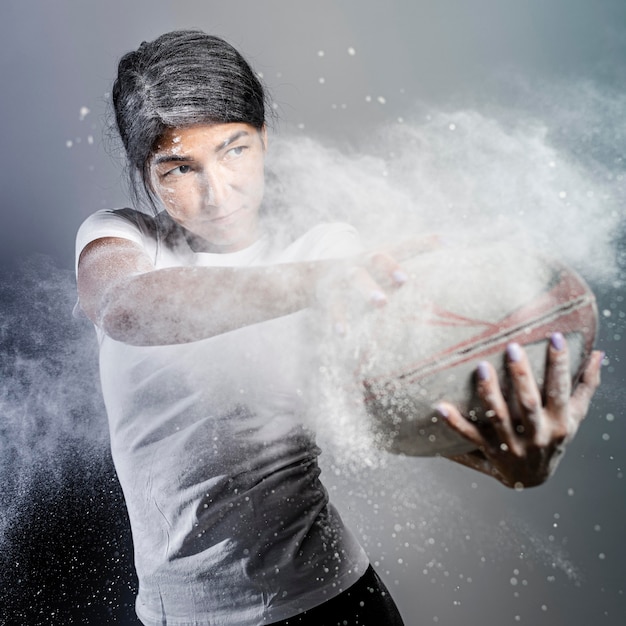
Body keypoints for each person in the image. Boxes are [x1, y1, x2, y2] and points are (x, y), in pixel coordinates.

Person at [75, 30, 603, 626]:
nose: (216, 192)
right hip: (181, 615)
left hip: (334, 604)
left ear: (265, 141)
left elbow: (394, 399)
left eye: (235, 150)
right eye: (178, 168)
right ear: (144, 173)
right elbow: (125, 308)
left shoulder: (329, 250)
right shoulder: (126, 241)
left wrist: (507, 461)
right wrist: (319, 282)